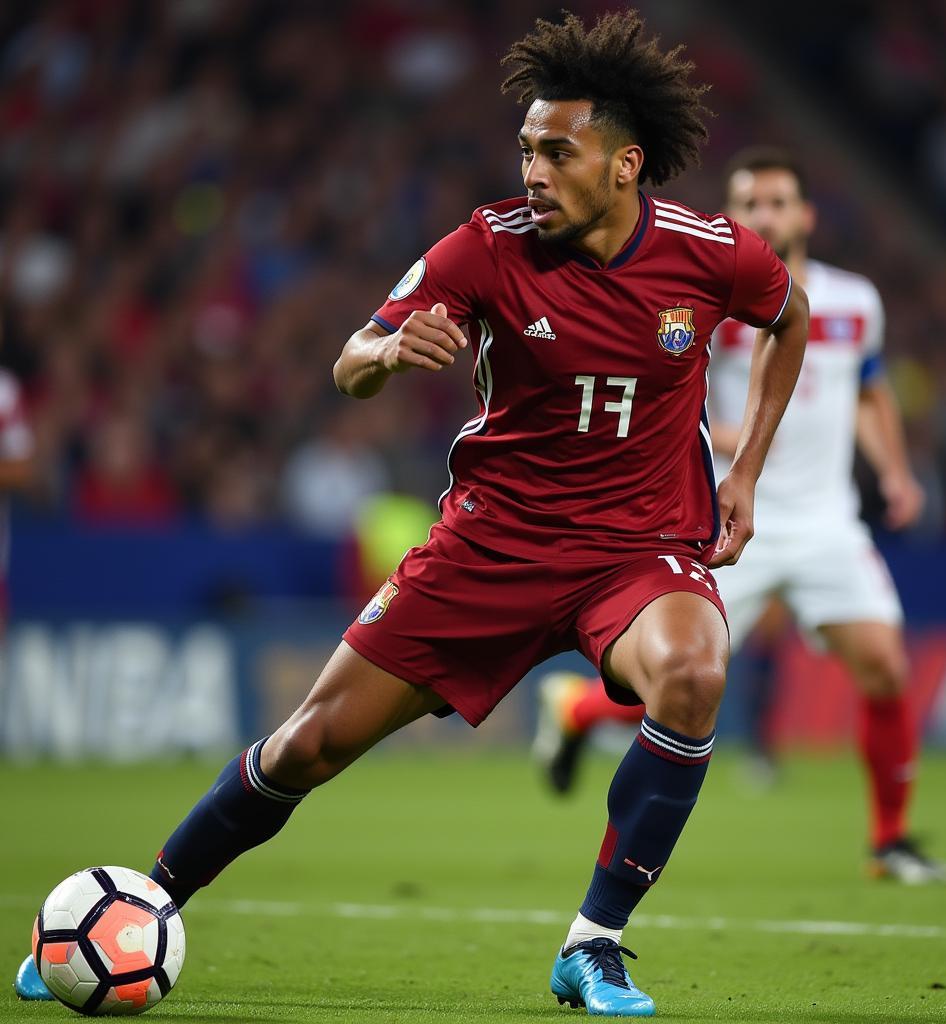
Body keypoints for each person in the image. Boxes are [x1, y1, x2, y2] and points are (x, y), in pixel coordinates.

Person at [17, 13, 808, 1015]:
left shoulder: (708, 253)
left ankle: (593, 944)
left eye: (555, 151)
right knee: (306, 745)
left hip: (639, 550)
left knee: (694, 672)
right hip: (492, 546)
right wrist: (388, 355)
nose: (531, 169)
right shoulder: (483, 248)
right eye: (525, 148)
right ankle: (142, 906)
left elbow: (789, 318)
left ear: (623, 163)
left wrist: (744, 476)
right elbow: (348, 360)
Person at [532, 146, 946, 887]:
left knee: (886, 667)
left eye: (778, 202)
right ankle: (578, 710)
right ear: (733, 216)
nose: (765, 215)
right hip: (729, 516)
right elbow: (661, 386)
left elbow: (867, 388)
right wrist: (734, 437)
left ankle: (889, 843)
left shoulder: (854, 301)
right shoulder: (708, 297)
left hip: (827, 522)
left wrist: (894, 470)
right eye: (750, 204)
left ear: (805, 214)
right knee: (681, 682)